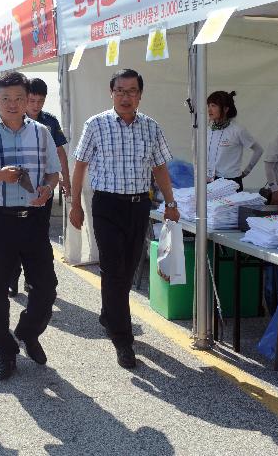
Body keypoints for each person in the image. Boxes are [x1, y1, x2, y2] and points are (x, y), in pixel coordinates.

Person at [69, 68, 180, 369]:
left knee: (128, 269)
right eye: (120, 90)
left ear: (140, 95)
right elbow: (80, 165)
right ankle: (123, 339)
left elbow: (159, 168)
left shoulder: (151, 128)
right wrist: (75, 204)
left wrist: (170, 202)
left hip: (138, 206)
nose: (126, 96)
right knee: (114, 269)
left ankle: (109, 313)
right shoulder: (96, 125)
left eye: (132, 91)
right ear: (111, 93)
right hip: (106, 205)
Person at [0, 71, 60, 381]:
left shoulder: (42, 132)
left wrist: (47, 189)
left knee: (46, 287)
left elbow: (52, 174)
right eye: (6, 99)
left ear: (27, 98)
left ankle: (28, 331)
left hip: (32, 219)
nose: (13, 104)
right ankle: (5, 351)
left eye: (19, 98)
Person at [8, 77, 71, 297]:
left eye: (40, 101)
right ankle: (12, 277)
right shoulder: (14, 120)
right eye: (32, 100)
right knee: (16, 236)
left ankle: (34, 279)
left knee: (39, 237)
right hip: (19, 190)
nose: (36, 105)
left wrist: (66, 180)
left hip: (44, 187)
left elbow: (61, 153)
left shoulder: (50, 123)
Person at [206, 90, 262, 191]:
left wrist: (246, 172)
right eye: (209, 105)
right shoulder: (208, 130)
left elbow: (258, 150)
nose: (209, 109)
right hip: (210, 181)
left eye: (213, 106)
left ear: (225, 109)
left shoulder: (237, 130)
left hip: (231, 181)